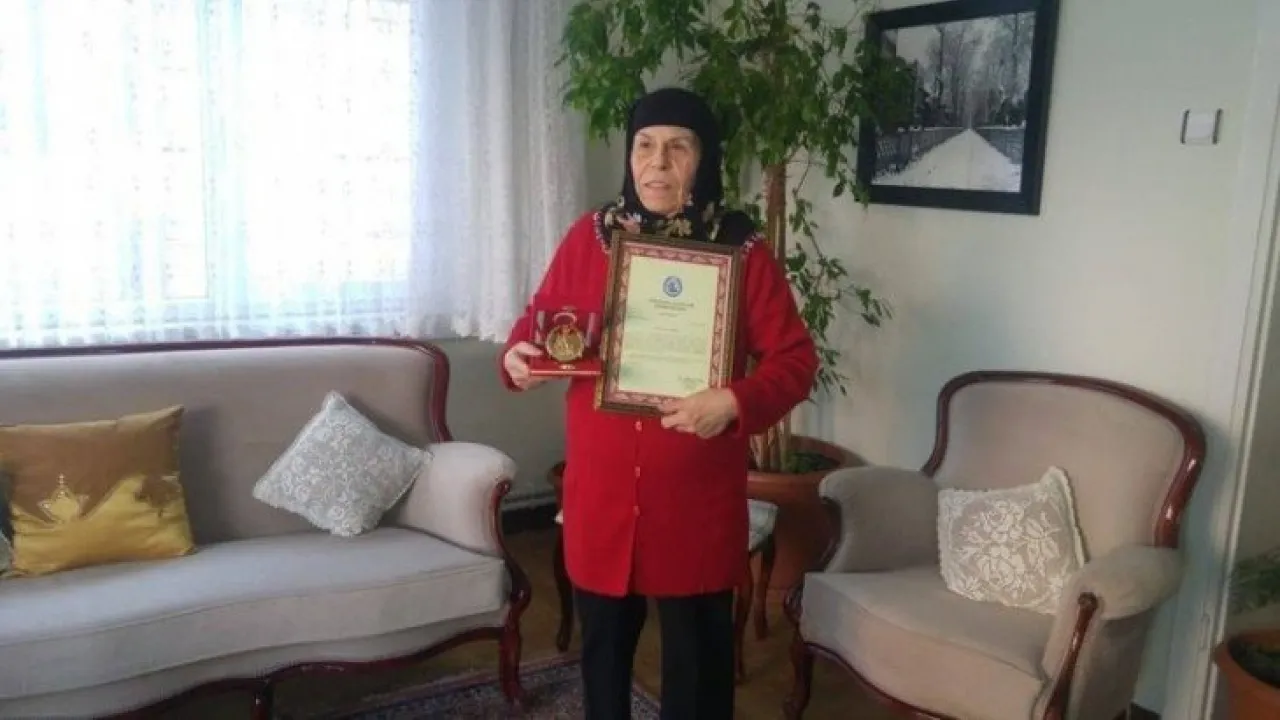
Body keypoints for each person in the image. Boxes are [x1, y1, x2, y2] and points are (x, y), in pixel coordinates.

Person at [498, 87, 817, 720]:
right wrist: (517, 356)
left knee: (698, 669)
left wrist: (733, 400)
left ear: (706, 158)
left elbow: (795, 361)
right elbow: (537, 325)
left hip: (693, 498)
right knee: (604, 657)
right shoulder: (589, 237)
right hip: (604, 493)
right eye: (644, 145)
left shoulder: (742, 249)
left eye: (678, 147)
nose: (658, 163)